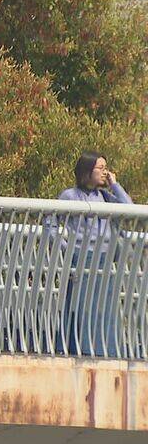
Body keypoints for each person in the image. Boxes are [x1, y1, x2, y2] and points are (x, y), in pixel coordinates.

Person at [51, 152, 134, 357]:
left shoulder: (105, 197)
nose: (105, 172)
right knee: (79, 305)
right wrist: (64, 246)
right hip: (81, 256)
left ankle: (106, 350)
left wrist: (114, 185)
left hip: (105, 258)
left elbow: (129, 209)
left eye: (106, 167)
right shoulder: (69, 196)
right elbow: (51, 222)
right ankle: (77, 348)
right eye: (100, 168)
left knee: (105, 307)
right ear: (87, 170)